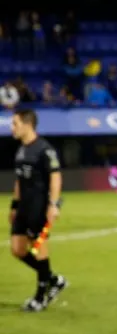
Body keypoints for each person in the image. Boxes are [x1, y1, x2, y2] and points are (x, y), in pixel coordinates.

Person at [8, 108, 67, 312]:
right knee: (17, 249)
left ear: (27, 124)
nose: (12, 127)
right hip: (23, 207)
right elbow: (19, 180)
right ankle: (53, 279)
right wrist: (14, 205)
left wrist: (53, 204)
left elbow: (55, 176)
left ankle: (41, 297)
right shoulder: (21, 149)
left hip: (39, 207)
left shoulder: (44, 149)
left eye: (15, 123)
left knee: (39, 248)